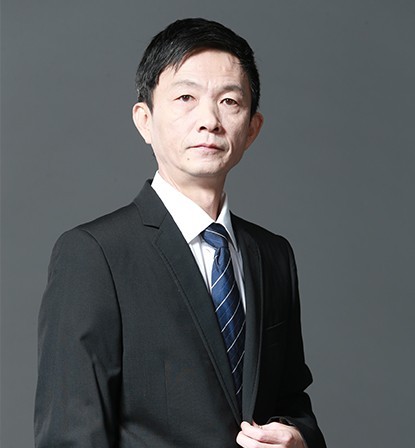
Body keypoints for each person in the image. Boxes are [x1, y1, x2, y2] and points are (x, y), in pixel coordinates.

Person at [35, 18, 326, 448]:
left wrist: (298, 436)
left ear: (252, 128)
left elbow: (291, 399)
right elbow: (70, 434)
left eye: (229, 101)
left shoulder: (272, 254)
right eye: (186, 97)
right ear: (145, 120)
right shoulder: (95, 254)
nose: (209, 120)